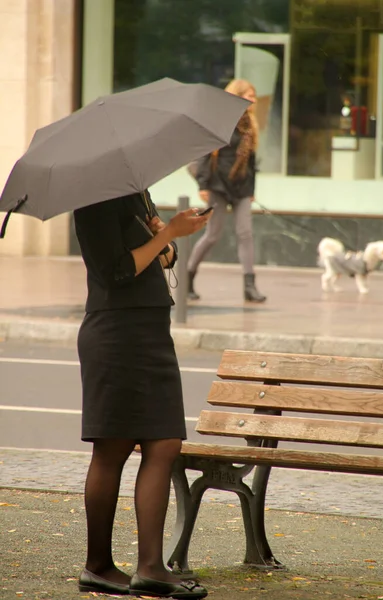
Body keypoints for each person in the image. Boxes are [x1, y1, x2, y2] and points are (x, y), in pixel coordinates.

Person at [73, 191, 209, 599]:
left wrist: (164, 240)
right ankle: (98, 565)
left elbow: (161, 259)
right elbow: (116, 270)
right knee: (112, 448)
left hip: (151, 332)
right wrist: (168, 232)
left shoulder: (136, 193)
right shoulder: (95, 198)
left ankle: (150, 567)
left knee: (164, 442)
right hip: (116, 333)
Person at [187, 78, 266, 303]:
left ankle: (249, 286)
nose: (253, 99)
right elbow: (203, 154)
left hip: (241, 187)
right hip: (217, 185)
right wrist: (202, 185)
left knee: (245, 233)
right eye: (249, 95)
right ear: (236, 96)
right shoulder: (220, 120)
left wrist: (252, 190)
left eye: (254, 95)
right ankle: (188, 276)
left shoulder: (250, 125)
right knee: (212, 235)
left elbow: (251, 163)